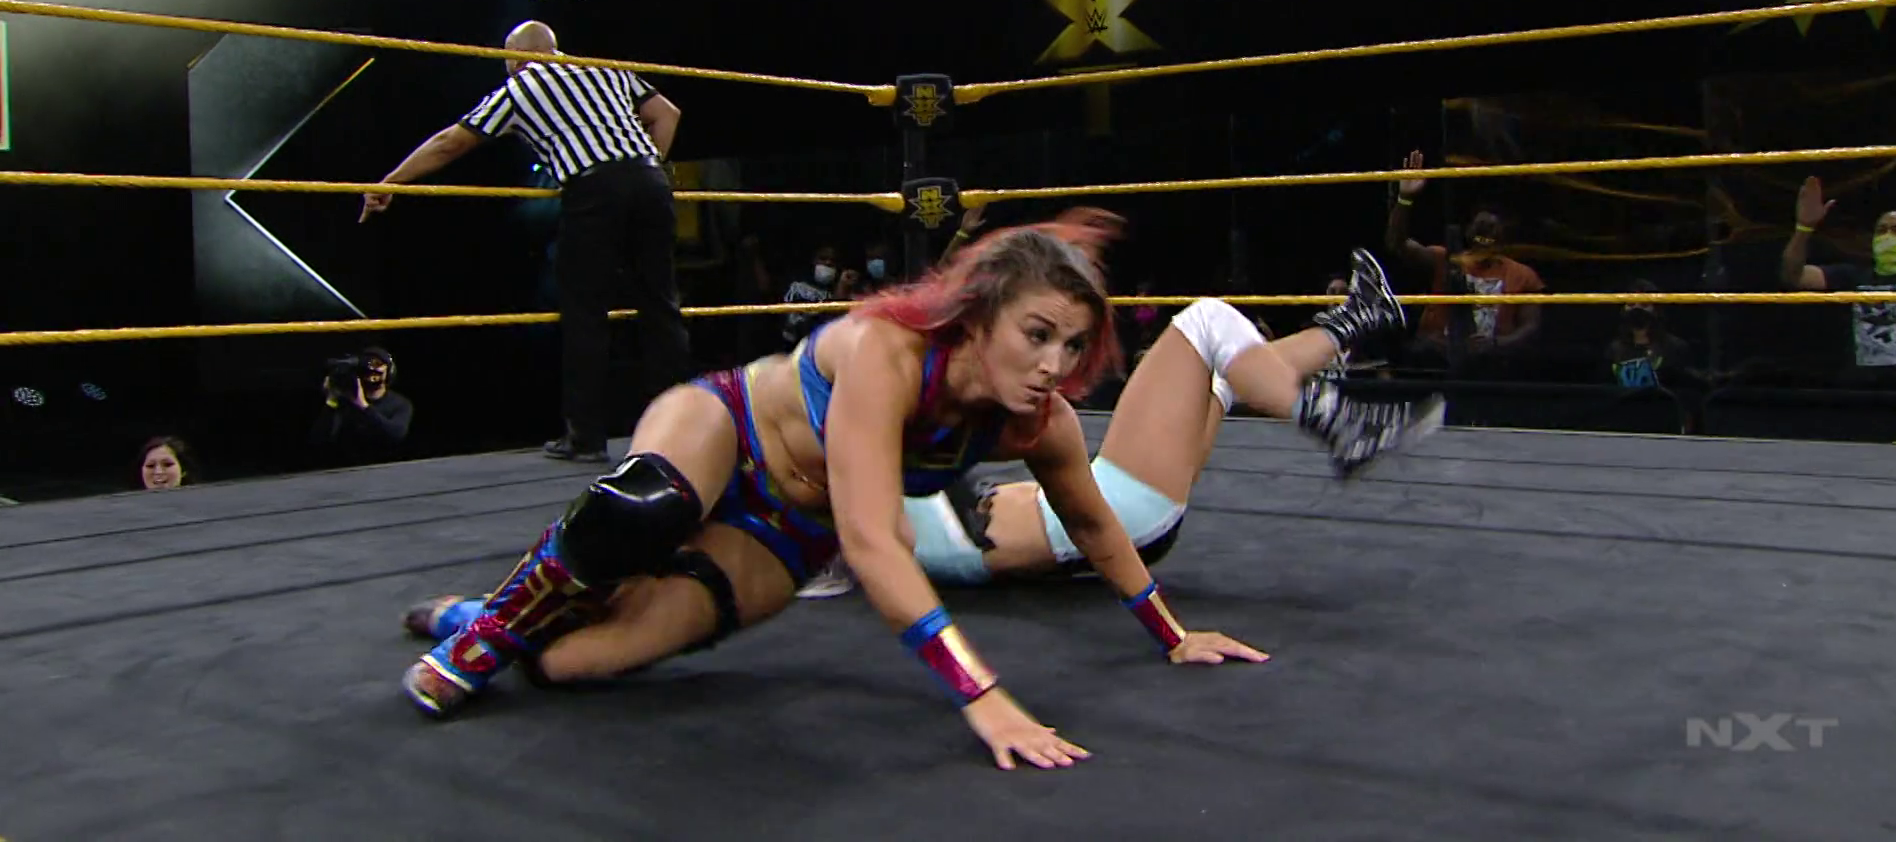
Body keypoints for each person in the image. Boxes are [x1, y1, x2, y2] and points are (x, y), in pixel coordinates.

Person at [398, 210, 1431, 770]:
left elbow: (1094, 522)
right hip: (728, 431)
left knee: (576, 665)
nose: (1053, 364)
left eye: (1072, 346)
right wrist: (984, 698)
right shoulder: (888, 352)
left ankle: (484, 616)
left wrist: (1172, 633)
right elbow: (873, 538)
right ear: (979, 316)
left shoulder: (1041, 418)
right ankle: (483, 637)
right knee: (646, 506)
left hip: (786, 532)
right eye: (1037, 335)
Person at [800, 248, 1430, 594]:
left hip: (1122, 519)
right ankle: (1340, 425)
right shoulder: (878, 517)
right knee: (1207, 324)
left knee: (1221, 374)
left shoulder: (886, 503)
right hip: (1117, 512)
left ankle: (1353, 323)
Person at [360, 21, 689, 462]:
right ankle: (681, 429)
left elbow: (449, 144)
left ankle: (585, 436)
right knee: (661, 306)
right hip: (652, 183)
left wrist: (392, 181)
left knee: (585, 313)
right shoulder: (604, 69)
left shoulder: (521, 88)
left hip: (594, 190)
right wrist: (644, 167)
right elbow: (667, 114)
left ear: (516, 59)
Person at [1386, 150, 1545, 374]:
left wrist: (1498, 344)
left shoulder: (1522, 275)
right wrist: (1405, 199)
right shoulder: (1445, 259)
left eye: (1491, 231)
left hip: (1492, 368)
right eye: (1480, 230)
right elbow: (1396, 244)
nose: (1484, 238)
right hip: (1437, 363)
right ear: (1469, 231)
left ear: (1503, 236)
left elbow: (1531, 328)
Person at [1779, 176, 1896, 384]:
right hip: (1861, 386)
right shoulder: (1853, 275)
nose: (1887, 236)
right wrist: (1804, 228)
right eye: (1881, 231)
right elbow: (1794, 276)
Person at [310, 347, 413, 463]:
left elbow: (395, 434)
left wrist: (363, 406)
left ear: (389, 371)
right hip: (348, 467)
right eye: (367, 365)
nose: (371, 369)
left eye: (377, 364)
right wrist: (332, 400)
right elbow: (319, 440)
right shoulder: (345, 402)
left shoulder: (400, 403)